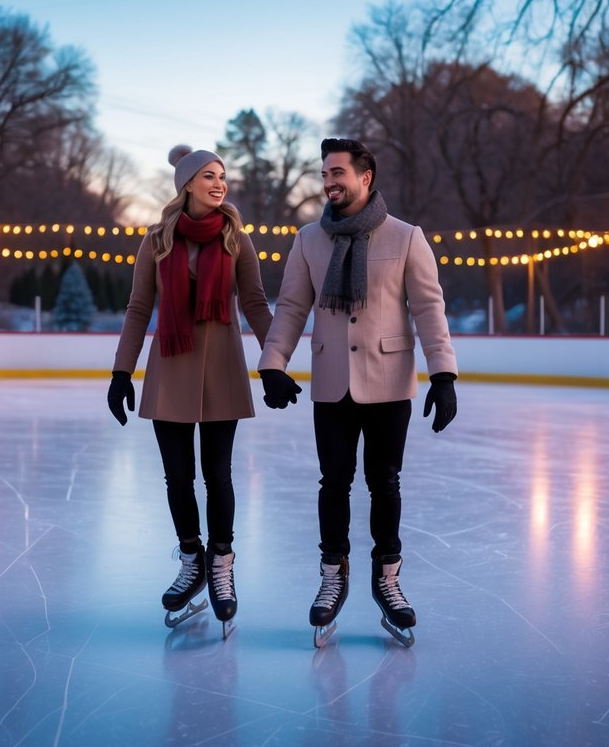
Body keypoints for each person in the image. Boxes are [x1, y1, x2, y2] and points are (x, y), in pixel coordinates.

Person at [256, 137, 457, 648]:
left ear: (365, 177)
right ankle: (333, 573)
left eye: (338, 173)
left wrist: (443, 375)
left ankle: (387, 578)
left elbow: (429, 308)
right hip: (331, 384)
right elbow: (292, 308)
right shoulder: (308, 240)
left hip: (389, 383)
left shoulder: (406, 237)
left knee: (385, 483)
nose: (329, 182)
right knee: (333, 484)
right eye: (325, 173)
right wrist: (274, 363)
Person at [108, 145, 272, 637]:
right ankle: (191, 558)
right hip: (171, 367)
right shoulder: (157, 240)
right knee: (178, 479)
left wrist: (276, 359)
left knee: (217, 475)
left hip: (221, 365)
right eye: (208, 176)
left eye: (222, 176)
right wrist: (121, 373)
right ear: (187, 185)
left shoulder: (235, 239)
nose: (219, 184)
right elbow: (140, 308)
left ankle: (221, 563)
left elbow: (257, 303)